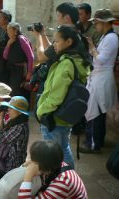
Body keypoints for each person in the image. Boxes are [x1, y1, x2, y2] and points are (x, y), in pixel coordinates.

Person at [36, 26, 91, 168]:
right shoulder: (78, 60)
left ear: (68, 42)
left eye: (57, 41)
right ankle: (70, 181)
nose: (54, 44)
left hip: (53, 116)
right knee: (64, 148)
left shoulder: (66, 63)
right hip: (66, 115)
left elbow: (56, 95)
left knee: (53, 155)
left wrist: (41, 111)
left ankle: (63, 182)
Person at [80, 9, 119, 153]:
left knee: (95, 112)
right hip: (99, 77)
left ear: (103, 23)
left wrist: (91, 47)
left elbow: (101, 59)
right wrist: (91, 45)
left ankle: (93, 144)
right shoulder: (106, 36)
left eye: (96, 23)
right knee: (97, 112)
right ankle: (96, 141)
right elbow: (97, 55)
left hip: (101, 78)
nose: (95, 26)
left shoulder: (111, 38)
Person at [18, 140, 87, 199]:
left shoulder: (62, 183)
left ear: (43, 166)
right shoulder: (55, 163)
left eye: (35, 162)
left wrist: (28, 176)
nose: (32, 163)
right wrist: (23, 166)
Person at [3, 22, 34, 98]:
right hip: (13, 70)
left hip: (21, 70)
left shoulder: (21, 39)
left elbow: (31, 57)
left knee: (19, 92)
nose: (7, 32)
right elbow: (5, 56)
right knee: (13, 92)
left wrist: (29, 72)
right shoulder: (10, 40)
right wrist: (8, 45)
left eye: (9, 30)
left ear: (15, 30)